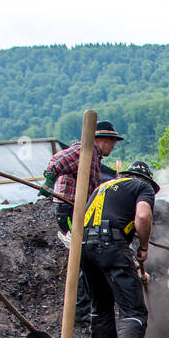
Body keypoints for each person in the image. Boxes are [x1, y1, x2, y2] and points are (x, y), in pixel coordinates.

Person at [80, 160, 159, 338]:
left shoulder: (102, 188)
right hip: (109, 245)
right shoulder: (141, 187)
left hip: (85, 247)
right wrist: (143, 246)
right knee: (133, 311)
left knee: (101, 306)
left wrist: (134, 268)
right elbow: (143, 218)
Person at [44, 121, 124, 325]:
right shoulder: (84, 150)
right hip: (69, 211)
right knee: (83, 259)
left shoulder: (95, 158)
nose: (113, 147)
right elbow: (58, 159)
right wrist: (49, 180)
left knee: (84, 259)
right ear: (103, 139)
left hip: (78, 212)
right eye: (112, 142)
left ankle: (81, 312)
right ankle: (79, 315)